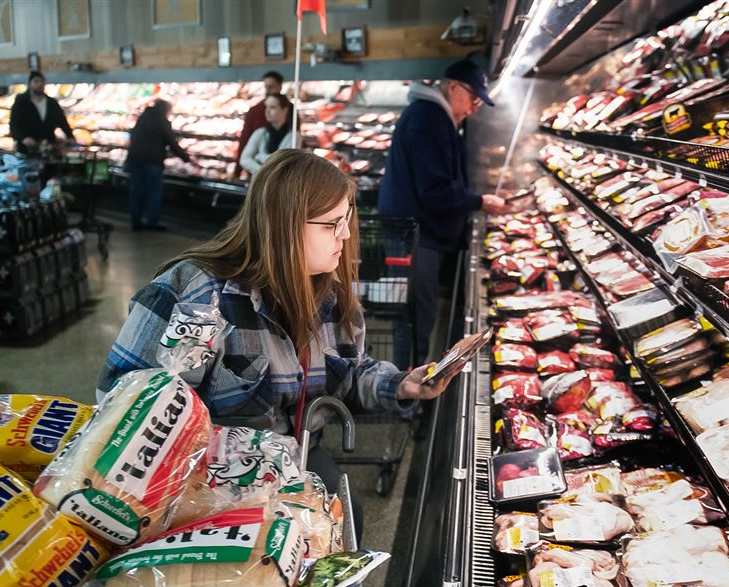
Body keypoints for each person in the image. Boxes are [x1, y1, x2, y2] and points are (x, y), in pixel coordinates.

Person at [100, 150, 457, 538]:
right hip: (205, 483)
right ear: (285, 225)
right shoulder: (195, 295)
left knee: (344, 521)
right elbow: (124, 405)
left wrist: (402, 384)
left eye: (348, 220)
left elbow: (348, 371)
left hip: (295, 457)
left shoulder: (327, 293)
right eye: (332, 225)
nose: (347, 236)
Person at [378, 59, 507, 367]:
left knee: (416, 313)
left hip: (418, 231)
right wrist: (479, 201)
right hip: (415, 235)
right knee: (414, 314)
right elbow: (434, 189)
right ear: (453, 87)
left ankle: (410, 380)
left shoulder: (434, 116)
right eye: (473, 98)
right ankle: (409, 391)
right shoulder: (429, 118)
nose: (475, 107)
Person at [125, 98, 192, 232]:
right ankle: (152, 223)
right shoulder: (162, 121)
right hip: (152, 161)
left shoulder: (143, 118)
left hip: (135, 159)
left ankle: (136, 222)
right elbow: (171, 142)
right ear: (166, 110)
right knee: (153, 193)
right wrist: (186, 158)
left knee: (136, 191)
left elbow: (132, 137)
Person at [9, 71, 74, 154]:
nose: (39, 84)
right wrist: (23, 138)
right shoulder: (21, 101)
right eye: (36, 81)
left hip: (48, 148)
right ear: (30, 84)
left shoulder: (51, 102)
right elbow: (14, 124)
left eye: (42, 81)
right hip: (27, 149)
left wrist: (70, 136)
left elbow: (62, 121)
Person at [239, 93, 296, 176]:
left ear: (285, 110)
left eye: (272, 107)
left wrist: (259, 157)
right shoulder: (260, 133)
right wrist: (263, 173)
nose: (267, 111)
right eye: (266, 107)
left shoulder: (293, 136)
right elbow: (244, 159)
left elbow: (281, 162)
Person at [236, 70, 283, 165]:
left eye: (271, 87)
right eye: (266, 87)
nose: (268, 90)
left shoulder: (290, 110)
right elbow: (244, 141)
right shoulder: (255, 112)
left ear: (280, 86)